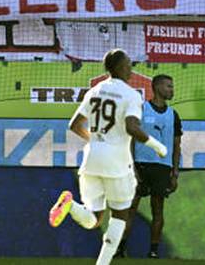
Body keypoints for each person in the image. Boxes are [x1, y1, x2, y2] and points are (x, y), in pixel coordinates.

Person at [48, 49, 168, 265]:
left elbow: (74, 125)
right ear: (121, 67)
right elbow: (132, 127)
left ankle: (70, 205)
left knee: (93, 219)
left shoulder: (95, 90)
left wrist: (95, 140)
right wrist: (157, 145)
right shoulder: (131, 95)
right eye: (129, 63)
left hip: (91, 158)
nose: (131, 67)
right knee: (120, 216)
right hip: (116, 163)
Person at [123, 74, 182, 259]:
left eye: (172, 87)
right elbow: (129, 141)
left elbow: (176, 146)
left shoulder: (174, 115)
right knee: (130, 208)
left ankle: (154, 251)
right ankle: (120, 249)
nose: (172, 90)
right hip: (140, 165)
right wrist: (132, 167)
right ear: (156, 88)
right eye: (168, 86)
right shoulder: (141, 109)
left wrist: (174, 173)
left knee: (157, 210)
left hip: (162, 168)